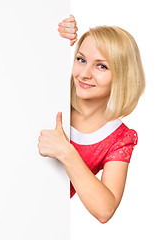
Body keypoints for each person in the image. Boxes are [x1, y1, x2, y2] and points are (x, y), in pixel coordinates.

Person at [38, 14, 145, 224]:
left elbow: (105, 210)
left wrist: (66, 152)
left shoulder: (120, 139)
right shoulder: (54, 94)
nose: (84, 73)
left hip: (37, 219)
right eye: (81, 59)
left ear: (122, 77)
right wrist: (53, 34)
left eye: (101, 66)